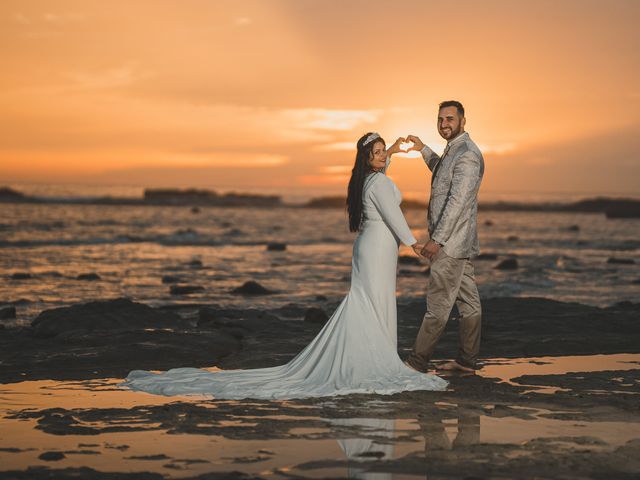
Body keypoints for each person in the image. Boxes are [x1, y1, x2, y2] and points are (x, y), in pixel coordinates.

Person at [122, 132, 448, 399]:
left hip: (370, 247)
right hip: (378, 247)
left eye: (382, 151)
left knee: (368, 302)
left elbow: (380, 172)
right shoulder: (376, 183)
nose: (382, 156)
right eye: (376, 152)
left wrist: (389, 150)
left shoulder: (368, 179)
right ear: (367, 158)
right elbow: (394, 214)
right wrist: (414, 243)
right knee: (374, 303)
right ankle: (373, 361)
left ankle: (371, 355)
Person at [404, 100, 484, 374]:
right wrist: (423, 149)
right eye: (440, 119)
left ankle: (416, 363)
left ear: (463, 120)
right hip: (458, 242)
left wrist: (436, 240)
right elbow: (443, 174)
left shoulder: (468, 155)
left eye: (450, 118)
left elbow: (457, 202)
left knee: (437, 305)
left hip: (450, 244)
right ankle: (467, 361)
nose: (444, 124)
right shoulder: (454, 151)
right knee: (469, 302)